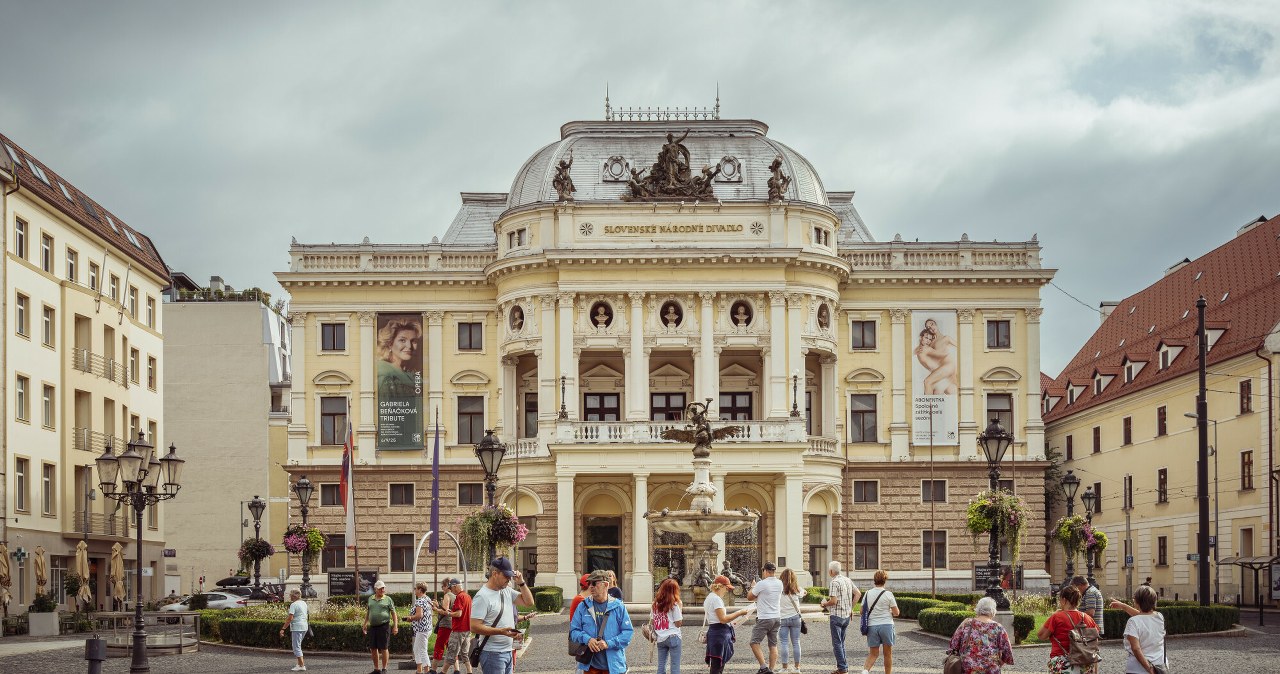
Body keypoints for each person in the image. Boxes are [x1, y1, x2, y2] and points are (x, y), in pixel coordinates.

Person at [470, 558, 535, 674]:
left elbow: (529, 602)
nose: (509, 579)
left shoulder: (506, 591)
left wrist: (521, 582)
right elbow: (474, 626)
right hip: (492, 653)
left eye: (510, 576)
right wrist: (501, 631)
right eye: (506, 576)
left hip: (508, 650)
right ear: (495, 574)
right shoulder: (482, 596)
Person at [570, 569, 634, 674]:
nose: (591, 586)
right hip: (590, 666)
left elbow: (628, 633)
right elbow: (573, 631)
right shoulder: (583, 606)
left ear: (606, 585)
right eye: (589, 583)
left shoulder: (618, 606)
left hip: (614, 666)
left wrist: (609, 644)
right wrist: (588, 639)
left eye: (594, 583)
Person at [1036, 584, 1098, 674]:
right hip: (1085, 665)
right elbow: (1094, 647)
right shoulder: (1088, 619)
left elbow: (1041, 635)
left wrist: (1052, 615)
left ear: (1064, 600)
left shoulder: (1057, 617)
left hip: (1062, 663)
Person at [947, 596, 1014, 674]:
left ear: (978, 609)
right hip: (991, 670)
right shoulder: (998, 628)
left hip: (968, 669)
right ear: (993, 610)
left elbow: (953, 645)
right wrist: (998, 663)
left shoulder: (967, 623)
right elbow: (1008, 653)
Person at [1111, 585, 1166, 674]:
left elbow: (1136, 649)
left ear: (1137, 601)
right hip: (1159, 666)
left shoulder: (1133, 621)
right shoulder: (1159, 616)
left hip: (1138, 669)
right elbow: (1144, 617)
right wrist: (1123, 606)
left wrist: (1149, 669)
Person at [820, 561, 861, 674]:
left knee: (837, 643)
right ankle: (843, 667)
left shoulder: (834, 582)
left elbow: (833, 601)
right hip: (846, 616)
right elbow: (858, 594)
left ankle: (842, 668)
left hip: (837, 616)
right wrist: (850, 608)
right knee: (841, 642)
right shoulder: (847, 580)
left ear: (831, 571)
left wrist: (824, 604)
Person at [705, 575, 752, 674]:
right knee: (718, 667)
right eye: (726, 588)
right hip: (719, 635)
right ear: (720, 586)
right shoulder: (716, 599)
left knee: (715, 666)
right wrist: (740, 613)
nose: (727, 591)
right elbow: (723, 619)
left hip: (714, 633)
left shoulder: (709, 597)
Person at [859, 569, 900, 674]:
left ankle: (865, 671)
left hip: (872, 626)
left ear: (874, 580)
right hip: (886, 625)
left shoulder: (868, 593)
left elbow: (861, 611)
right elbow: (896, 613)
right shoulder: (888, 594)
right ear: (885, 580)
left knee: (873, 654)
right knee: (887, 654)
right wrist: (890, 611)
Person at [747, 561, 783, 674]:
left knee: (754, 642)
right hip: (777, 617)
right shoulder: (780, 583)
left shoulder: (762, 583)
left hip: (765, 618)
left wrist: (752, 586)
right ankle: (771, 670)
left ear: (765, 571)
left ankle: (763, 667)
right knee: (773, 644)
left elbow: (749, 597)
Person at [377, 318, 422, 398]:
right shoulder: (385, 376)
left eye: (413, 341)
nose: (409, 346)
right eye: (402, 340)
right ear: (390, 343)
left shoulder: (412, 374)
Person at [362, 580, 399, 674]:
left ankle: (384, 669)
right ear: (376, 589)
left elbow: (394, 613)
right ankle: (376, 669)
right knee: (373, 648)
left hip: (384, 626)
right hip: (373, 627)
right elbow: (368, 612)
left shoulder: (388, 599)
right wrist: (365, 623)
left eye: (383, 588)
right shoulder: (370, 598)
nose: (383, 590)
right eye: (381, 588)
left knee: (384, 648)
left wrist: (395, 626)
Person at [651, 577, 683, 674]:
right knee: (675, 667)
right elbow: (678, 624)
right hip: (673, 636)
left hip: (660, 638)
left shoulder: (655, 604)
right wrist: (680, 609)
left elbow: (653, 621)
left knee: (661, 666)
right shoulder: (674, 605)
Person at [441, 578, 474, 674]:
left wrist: (448, 613)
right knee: (464, 654)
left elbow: (459, 614)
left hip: (459, 629)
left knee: (451, 652)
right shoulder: (468, 596)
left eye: (451, 588)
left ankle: (443, 672)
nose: (451, 590)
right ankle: (469, 671)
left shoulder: (459, 597)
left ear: (455, 586)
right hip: (467, 629)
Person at [776, 568, 805, 674]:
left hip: (783, 618)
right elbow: (804, 592)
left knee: (784, 643)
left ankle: (784, 668)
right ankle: (797, 668)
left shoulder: (779, 590)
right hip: (796, 618)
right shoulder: (797, 589)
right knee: (796, 642)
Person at [278, 589, 308, 672]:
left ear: (294, 596)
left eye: (290, 595)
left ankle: (301, 665)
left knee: (296, 647)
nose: (289, 596)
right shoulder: (303, 603)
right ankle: (299, 664)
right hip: (304, 627)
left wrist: (283, 629)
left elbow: (290, 618)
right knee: (298, 646)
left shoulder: (294, 605)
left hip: (297, 627)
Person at [409, 582, 434, 674]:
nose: (414, 590)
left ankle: (427, 670)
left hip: (422, 629)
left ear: (420, 590)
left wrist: (410, 618)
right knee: (416, 649)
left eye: (415, 588)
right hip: (427, 628)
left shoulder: (419, 601)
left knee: (423, 650)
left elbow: (419, 615)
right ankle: (419, 670)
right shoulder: (427, 599)